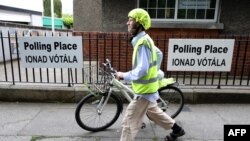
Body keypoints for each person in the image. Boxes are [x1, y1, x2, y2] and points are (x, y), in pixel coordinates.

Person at [116, 8, 185, 141]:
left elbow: (142, 70)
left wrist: (124, 75)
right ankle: (177, 130)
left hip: (144, 92)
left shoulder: (142, 43)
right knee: (154, 112)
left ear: (140, 23)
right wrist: (155, 71)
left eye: (131, 20)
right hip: (148, 89)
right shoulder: (146, 39)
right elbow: (158, 54)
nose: (127, 23)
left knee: (129, 123)